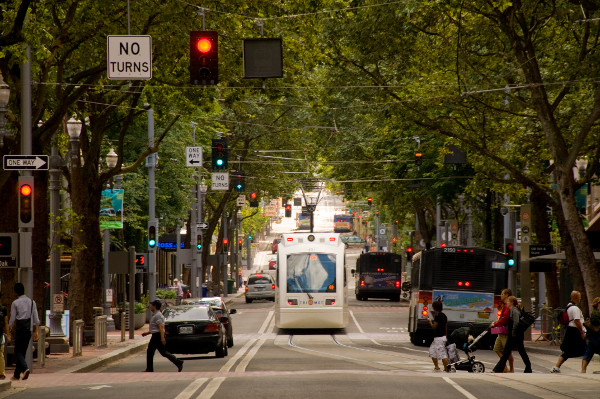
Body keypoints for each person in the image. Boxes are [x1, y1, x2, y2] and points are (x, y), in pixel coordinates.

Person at [9, 282, 40, 381]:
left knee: (17, 351)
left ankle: (25, 368)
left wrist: (8, 328)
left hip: (19, 330)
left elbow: (12, 319)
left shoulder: (15, 303)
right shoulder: (32, 302)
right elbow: (36, 318)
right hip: (28, 330)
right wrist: (36, 331)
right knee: (22, 351)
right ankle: (16, 375)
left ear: (15, 292)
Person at [492, 296, 532, 373]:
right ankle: (498, 369)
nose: (507, 303)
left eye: (508, 301)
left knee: (520, 351)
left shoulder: (515, 310)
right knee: (507, 352)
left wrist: (513, 332)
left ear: (512, 303)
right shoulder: (511, 310)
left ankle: (528, 367)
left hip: (516, 335)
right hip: (513, 334)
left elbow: (516, 322)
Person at [142, 300, 183, 372]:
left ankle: (150, 369)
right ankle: (178, 362)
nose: (151, 307)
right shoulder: (155, 314)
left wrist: (162, 337)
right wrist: (147, 333)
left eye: (152, 305)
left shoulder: (158, 315)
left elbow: (160, 327)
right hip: (156, 335)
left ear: (155, 306)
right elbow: (155, 328)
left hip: (157, 336)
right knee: (161, 352)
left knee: (152, 352)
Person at [552, 290, 587, 373]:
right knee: (587, 349)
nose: (580, 299)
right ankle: (583, 370)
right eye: (579, 297)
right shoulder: (575, 308)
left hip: (570, 330)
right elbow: (577, 321)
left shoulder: (568, 306)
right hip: (576, 331)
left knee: (568, 351)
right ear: (576, 298)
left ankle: (556, 367)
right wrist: (582, 333)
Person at [490, 288, 514, 373]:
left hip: (506, 332)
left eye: (502, 294)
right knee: (497, 348)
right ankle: (505, 367)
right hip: (501, 331)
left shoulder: (508, 306)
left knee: (507, 351)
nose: (501, 295)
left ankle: (511, 369)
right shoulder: (505, 305)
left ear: (507, 295)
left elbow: (504, 319)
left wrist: (495, 324)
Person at [427, 300, 448, 372]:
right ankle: (437, 367)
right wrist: (446, 336)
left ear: (435, 308)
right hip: (440, 337)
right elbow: (445, 326)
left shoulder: (438, 317)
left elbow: (434, 326)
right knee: (432, 351)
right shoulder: (444, 316)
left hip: (439, 338)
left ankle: (446, 368)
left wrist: (430, 321)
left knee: (442, 354)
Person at [581, 297, 600, 373]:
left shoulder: (596, 312)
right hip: (595, 336)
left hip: (594, 336)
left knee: (589, 352)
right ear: (597, 304)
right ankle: (583, 370)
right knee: (589, 352)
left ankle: (583, 370)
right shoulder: (595, 313)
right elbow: (595, 322)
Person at [0, 293, 10, 380]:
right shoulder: (3, 309)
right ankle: (2, 373)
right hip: (0, 334)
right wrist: (8, 335)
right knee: (1, 354)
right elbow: (6, 323)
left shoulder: (3, 309)